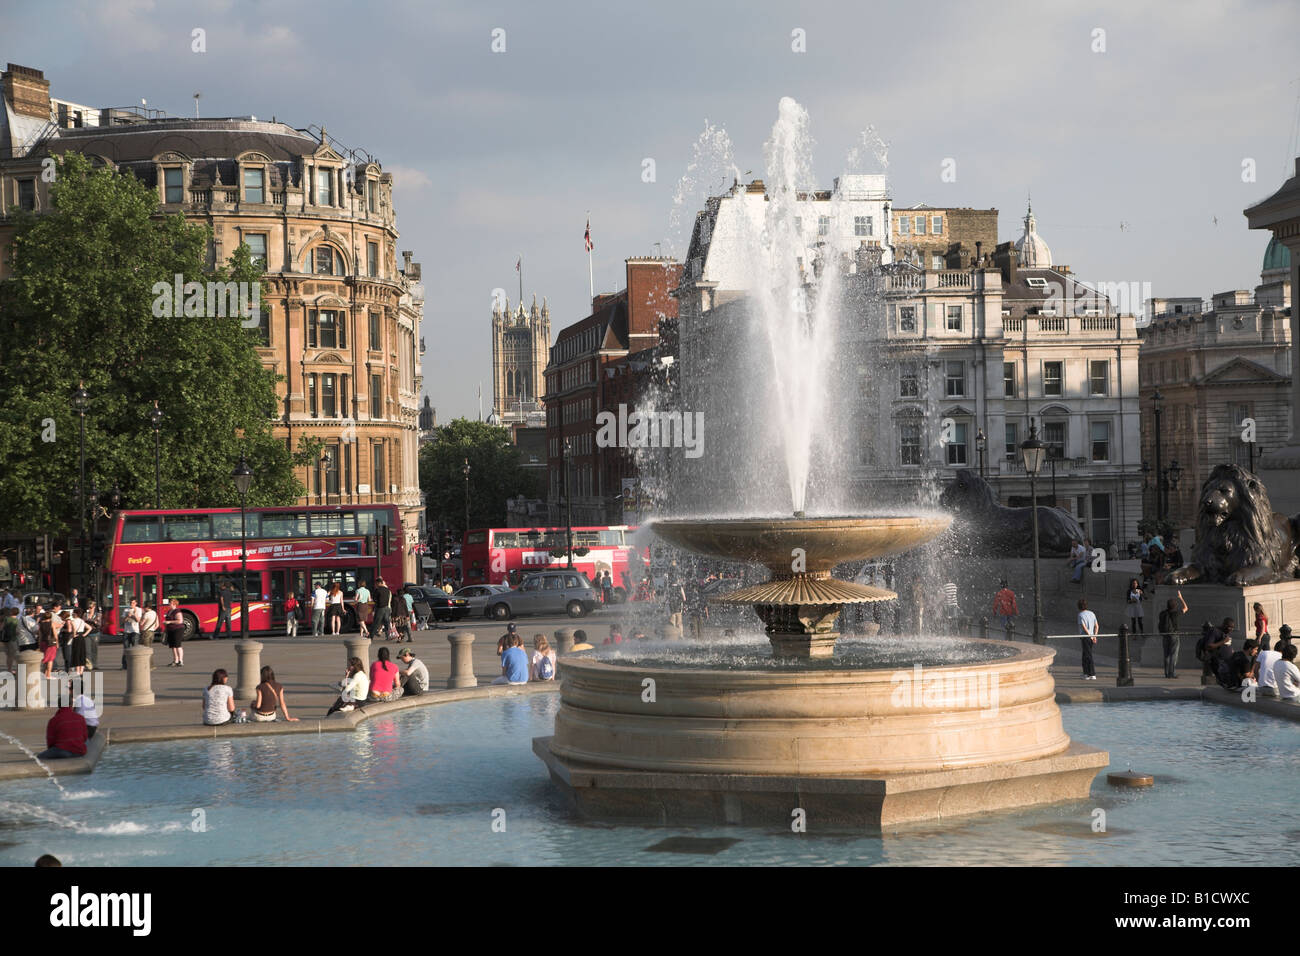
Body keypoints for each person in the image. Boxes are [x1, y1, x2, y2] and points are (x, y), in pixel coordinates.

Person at [1157, 591, 1188, 679]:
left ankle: (1166, 673)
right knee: (1173, 655)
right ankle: (1171, 673)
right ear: (1174, 606)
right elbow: (1186, 608)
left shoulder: (1162, 613)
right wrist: (1181, 597)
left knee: (1166, 655)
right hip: (1174, 635)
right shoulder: (1176, 613)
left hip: (1165, 635)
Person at [1202, 618, 1235, 686]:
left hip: (1227, 662)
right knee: (1221, 683)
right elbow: (1209, 646)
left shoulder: (1225, 633)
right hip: (1219, 662)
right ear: (1224, 625)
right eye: (1230, 627)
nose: (1231, 629)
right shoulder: (1215, 631)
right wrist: (1223, 642)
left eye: (1233, 628)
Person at [1077, 598, 1098, 680]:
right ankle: (1085, 673)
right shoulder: (1092, 613)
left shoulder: (1080, 615)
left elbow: (1083, 627)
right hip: (1092, 637)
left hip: (1085, 637)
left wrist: (1089, 636)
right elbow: (1097, 626)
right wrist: (1095, 636)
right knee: (1085, 654)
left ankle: (1092, 674)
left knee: (1088, 655)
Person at [65, 610, 89, 677]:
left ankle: (77, 670)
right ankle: (81, 670)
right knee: (82, 653)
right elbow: (89, 628)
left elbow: (74, 629)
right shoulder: (82, 621)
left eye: (73, 613)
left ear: (75, 614)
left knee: (76, 653)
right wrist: (84, 634)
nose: (72, 614)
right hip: (82, 637)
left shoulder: (73, 621)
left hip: (76, 638)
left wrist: (74, 635)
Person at [120, 598, 141, 670]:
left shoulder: (139, 609)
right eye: (131, 603)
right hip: (127, 631)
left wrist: (133, 614)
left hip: (135, 631)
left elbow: (138, 620)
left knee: (135, 648)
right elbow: (122, 621)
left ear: (136, 603)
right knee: (126, 648)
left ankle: (135, 665)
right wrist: (127, 616)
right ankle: (125, 665)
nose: (132, 604)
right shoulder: (126, 610)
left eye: (133, 603)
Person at [163, 599, 186, 667]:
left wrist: (169, 622)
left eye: (170, 603)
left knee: (178, 645)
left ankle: (180, 661)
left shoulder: (177, 611)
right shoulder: (169, 611)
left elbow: (180, 621)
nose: (168, 605)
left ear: (174, 604)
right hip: (170, 629)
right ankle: (175, 660)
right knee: (173, 646)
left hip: (178, 629)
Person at [37, 613, 57, 679]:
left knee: (45, 658)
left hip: (43, 643)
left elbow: (40, 636)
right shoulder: (52, 624)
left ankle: (44, 674)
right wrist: (57, 643)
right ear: (50, 617)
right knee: (50, 660)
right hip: (51, 644)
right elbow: (55, 634)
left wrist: (39, 645)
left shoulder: (40, 624)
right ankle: (48, 675)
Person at [2, 606, 19, 674]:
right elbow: (17, 631)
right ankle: (17, 670)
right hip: (13, 639)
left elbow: (1, 628)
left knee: (9, 656)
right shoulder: (17, 620)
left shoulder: (6, 619)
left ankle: (9, 669)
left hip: (5, 639)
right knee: (15, 655)